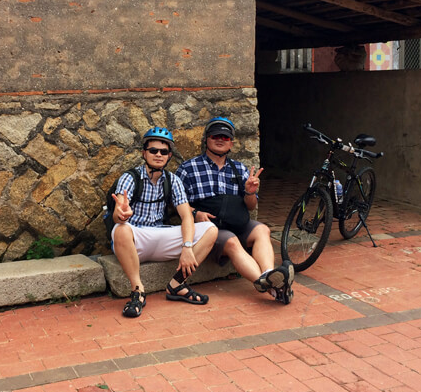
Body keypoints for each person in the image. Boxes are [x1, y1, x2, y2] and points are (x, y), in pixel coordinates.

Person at [175, 116, 294, 304]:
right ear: (206, 139)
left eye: (225, 137)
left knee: (262, 230)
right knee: (230, 242)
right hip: (210, 229)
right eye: (215, 135)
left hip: (237, 222)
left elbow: (250, 206)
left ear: (231, 143)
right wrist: (195, 213)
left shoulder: (239, 169)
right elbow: (176, 203)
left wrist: (249, 192)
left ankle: (269, 275)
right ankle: (272, 286)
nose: (220, 139)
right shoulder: (188, 168)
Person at [109, 127, 218, 318]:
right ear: (144, 153)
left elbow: (186, 216)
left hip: (161, 234)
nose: (158, 155)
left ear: (169, 156)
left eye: (164, 151)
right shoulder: (130, 178)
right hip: (137, 238)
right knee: (120, 229)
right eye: (153, 150)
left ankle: (177, 284)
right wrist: (122, 214)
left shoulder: (173, 180)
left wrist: (187, 247)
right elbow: (118, 215)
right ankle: (138, 291)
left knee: (210, 229)